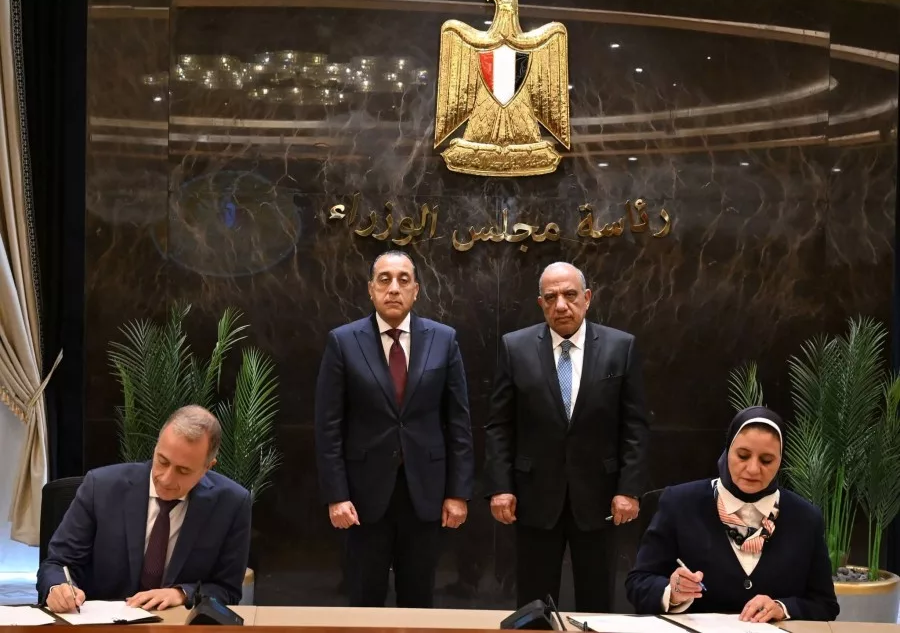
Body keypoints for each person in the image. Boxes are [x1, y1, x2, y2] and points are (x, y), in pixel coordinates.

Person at [484, 261, 651, 612]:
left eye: (570, 295)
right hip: (534, 496)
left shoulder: (620, 347)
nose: (561, 305)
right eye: (551, 297)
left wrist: (629, 489)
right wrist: (500, 487)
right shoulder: (515, 347)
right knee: (534, 604)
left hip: (600, 498)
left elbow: (634, 426)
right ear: (540, 303)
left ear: (587, 298)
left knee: (597, 602)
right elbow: (500, 425)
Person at [314, 250, 475, 608]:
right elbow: (328, 426)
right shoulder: (343, 341)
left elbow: (458, 423)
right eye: (384, 279)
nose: (393, 288)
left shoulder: (443, 339)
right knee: (365, 599)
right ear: (370, 289)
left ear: (416, 290)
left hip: (426, 493)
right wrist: (336, 495)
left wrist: (458, 493)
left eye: (404, 280)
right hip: (363, 496)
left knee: (418, 599)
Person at [626, 406, 840, 623]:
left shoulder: (805, 518)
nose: (753, 469)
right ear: (727, 451)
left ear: (780, 460)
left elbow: (825, 605)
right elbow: (638, 583)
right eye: (743, 456)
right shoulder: (679, 503)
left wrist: (782, 608)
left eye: (766, 460)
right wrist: (671, 592)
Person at [37, 405, 252, 613]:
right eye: (162, 461)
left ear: (207, 467)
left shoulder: (231, 504)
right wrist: (57, 588)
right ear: (156, 448)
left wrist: (182, 594)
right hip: (102, 625)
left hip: (176, 626)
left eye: (183, 471)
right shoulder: (101, 488)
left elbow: (227, 590)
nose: (166, 479)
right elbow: (57, 563)